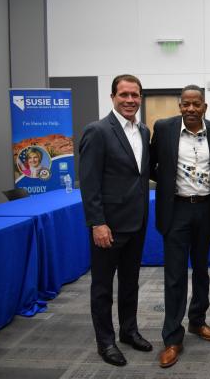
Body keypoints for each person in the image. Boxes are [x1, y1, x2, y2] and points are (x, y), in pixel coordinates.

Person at [79, 74, 153, 367]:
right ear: (112, 97)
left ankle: (129, 331)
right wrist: (97, 223)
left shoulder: (143, 131)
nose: (130, 100)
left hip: (136, 222)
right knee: (102, 287)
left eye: (135, 95)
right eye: (124, 94)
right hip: (108, 226)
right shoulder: (97, 131)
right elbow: (89, 182)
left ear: (140, 98)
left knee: (130, 282)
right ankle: (105, 341)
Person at [150, 85, 210, 368]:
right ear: (179, 105)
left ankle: (197, 321)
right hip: (176, 210)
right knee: (175, 275)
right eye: (186, 104)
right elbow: (151, 164)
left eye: (197, 104)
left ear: (205, 106)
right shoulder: (164, 128)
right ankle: (172, 338)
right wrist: (169, 179)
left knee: (202, 270)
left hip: (205, 208)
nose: (191, 109)